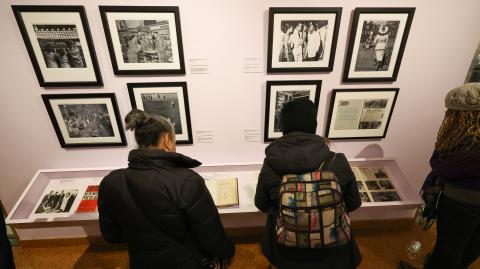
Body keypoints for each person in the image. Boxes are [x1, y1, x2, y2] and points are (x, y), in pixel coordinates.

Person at [98, 109, 235, 269]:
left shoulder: (111, 182)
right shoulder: (187, 181)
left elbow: (112, 236)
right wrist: (228, 251)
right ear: (167, 139)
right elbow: (211, 238)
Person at [255, 99, 362, 269]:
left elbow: (261, 204)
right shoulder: (337, 162)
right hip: (335, 251)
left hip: (285, 251)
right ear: (314, 125)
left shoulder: (271, 165)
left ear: (283, 127)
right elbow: (354, 203)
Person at [401, 83, 480, 269]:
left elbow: (441, 166)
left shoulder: (470, 142)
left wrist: (440, 147)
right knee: (472, 246)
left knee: (448, 248)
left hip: (463, 202)